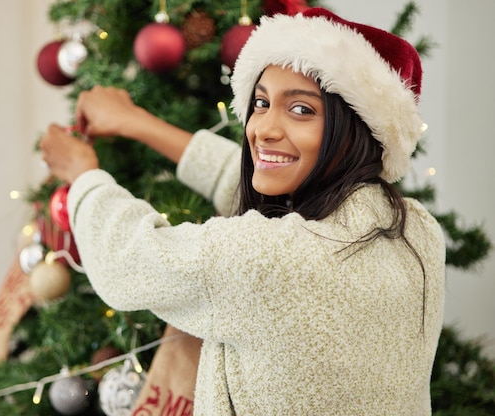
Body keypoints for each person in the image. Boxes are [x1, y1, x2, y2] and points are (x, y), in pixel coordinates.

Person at [40, 7, 445, 415]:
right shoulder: (417, 231)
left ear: (358, 130)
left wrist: (83, 175)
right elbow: (243, 176)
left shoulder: (274, 260)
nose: (263, 128)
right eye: (261, 102)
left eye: (301, 109)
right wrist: (138, 122)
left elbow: (126, 260)